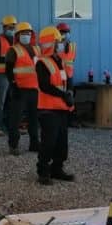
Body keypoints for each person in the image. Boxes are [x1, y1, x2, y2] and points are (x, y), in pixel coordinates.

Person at [35, 27, 75, 185]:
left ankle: (57, 169)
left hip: (62, 108)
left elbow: (65, 81)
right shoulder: (42, 63)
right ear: (51, 43)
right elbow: (44, 86)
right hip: (48, 109)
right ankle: (43, 172)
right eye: (58, 42)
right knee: (48, 142)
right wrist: (63, 95)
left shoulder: (60, 61)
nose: (61, 44)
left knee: (61, 142)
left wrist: (69, 93)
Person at [5, 22, 40, 156]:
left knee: (34, 118)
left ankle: (34, 143)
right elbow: (8, 70)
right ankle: (13, 145)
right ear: (18, 35)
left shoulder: (36, 49)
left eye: (28, 33)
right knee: (15, 118)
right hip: (19, 89)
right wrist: (13, 85)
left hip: (34, 89)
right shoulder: (13, 50)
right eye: (24, 33)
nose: (27, 35)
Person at [0, 15, 16, 136]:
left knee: (12, 101)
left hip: (14, 75)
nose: (12, 29)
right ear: (4, 27)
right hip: (3, 75)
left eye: (13, 27)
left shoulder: (16, 40)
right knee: (0, 101)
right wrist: (11, 59)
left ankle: (10, 125)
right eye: (10, 27)